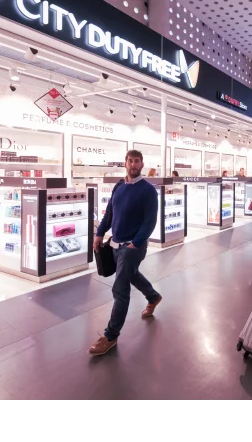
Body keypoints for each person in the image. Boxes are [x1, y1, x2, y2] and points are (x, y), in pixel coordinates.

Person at [88, 150, 161, 356]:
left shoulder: (148, 191)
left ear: (142, 164)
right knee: (131, 275)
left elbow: (150, 222)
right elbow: (110, 213)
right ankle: (153, 296)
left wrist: (135, 244)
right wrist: (100, 233)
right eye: (130, 161)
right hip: (115, 245)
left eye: (137, 161)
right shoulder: (119, 187)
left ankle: (110, 336)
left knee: (120, 290)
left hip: (133, 248)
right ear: (125, 163)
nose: (134, 164)